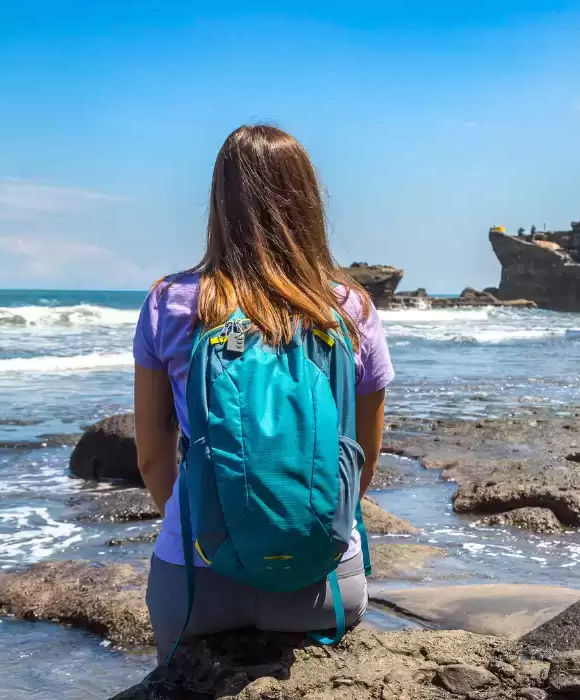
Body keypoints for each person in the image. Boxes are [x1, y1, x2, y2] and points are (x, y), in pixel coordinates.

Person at [133, 125, 395, 665]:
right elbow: (361, 462)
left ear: (219, 200)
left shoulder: (171, 302)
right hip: (322, 582)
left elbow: (152, 457)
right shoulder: (349, 308)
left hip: (197, 580)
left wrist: (214, 533)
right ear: (307, 199)